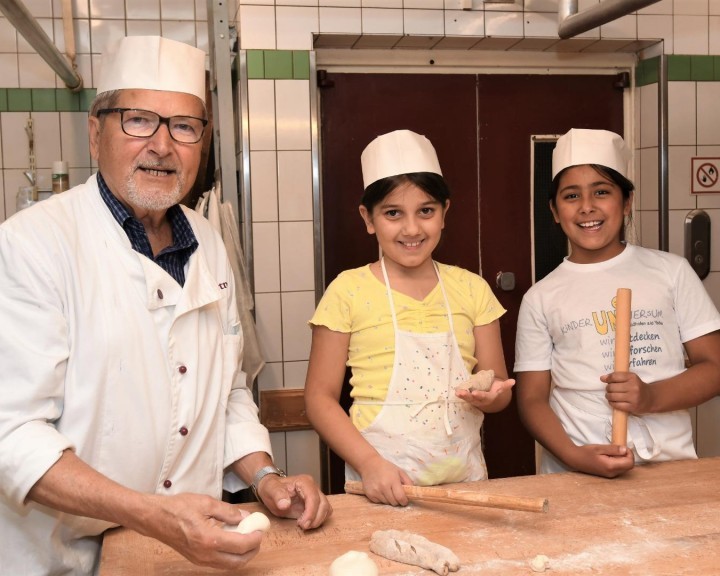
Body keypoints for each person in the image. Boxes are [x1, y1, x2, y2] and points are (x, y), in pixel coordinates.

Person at [0, 36, 331, 575]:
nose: (161, 145)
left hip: (185, 558)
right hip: (59, 558)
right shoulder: (31, 245)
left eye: (183, 126)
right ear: (94, 132)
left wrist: (265, 477)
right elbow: (11, 434)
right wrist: (154, 515)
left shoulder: (208, 242)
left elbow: (224, 393)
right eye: (137, 120)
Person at [304, 129, 515, 506]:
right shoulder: (347, 291)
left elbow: (497, 390)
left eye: (426, 211)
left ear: (444, 213)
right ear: (368, 219)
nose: (412, 229)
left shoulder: (471, 288)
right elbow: (319, 399)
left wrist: (490, 396)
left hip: (465, 482)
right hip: (382, 484)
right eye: (392, 213)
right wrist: (370, 464)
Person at [514, 128, 720, 479]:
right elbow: (531, 399)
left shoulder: (670, 272)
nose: (587, 207)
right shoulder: (541, 297)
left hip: (669, 469)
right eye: (571, 196)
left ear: (626, 203)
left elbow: (714, 368)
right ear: (554, 210)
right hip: (576, 471)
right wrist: (574, 456)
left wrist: (650, 397)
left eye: (602, 192)